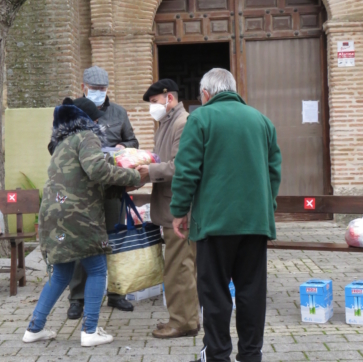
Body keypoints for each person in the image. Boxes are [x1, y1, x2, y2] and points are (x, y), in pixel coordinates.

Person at [169, 68, 282, 362]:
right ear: (233, 89)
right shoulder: (261, 120)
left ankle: (217, 355)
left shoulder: (201, 119)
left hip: (214, 225)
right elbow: (274, 172)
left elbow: (186, 170)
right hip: (255, 224)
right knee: (252, 292)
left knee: (215, 293)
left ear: (206, 94)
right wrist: (266, 206)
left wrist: (179, 211)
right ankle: (251, 355)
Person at [23, 97, 141, 347]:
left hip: (53, 215)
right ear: (89, 120)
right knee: (97, 269)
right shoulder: (87, 136)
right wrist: (132, 175)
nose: (100, 122)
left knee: (61, 275)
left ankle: (34, 328)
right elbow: (96, 170)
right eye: (97, 119)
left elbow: (79, 174)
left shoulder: (61, 143)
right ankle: (90, 331)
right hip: (79, 216)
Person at [68, 66, 139, 319]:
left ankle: (116, 293)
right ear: (83, 87)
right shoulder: (73, 112)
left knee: (113, 239)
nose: (99, 93)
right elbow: (57, 145)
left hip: (112, 188)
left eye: (102, 89)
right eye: (94, 89)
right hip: (83, 190)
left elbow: (133, 141)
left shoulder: (118, 112)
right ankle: (77, 298)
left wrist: (123, 146)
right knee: (82, 241)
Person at [136, 79, 199, 339]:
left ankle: (184, 323)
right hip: (168, 204)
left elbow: (178, 166)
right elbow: (162, 159)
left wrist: (149, 170)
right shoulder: (167, 122)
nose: (152, 107)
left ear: (168, 98)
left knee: (180, 267)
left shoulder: (182, 123)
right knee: (175, 266)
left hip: (179, 208)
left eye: (154, 102)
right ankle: (181, 318)